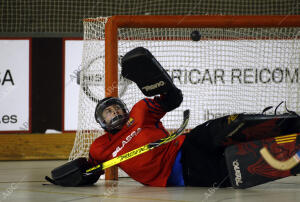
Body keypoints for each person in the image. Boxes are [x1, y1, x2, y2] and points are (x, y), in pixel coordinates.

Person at [46, 47, 300, 187]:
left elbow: (171, 101)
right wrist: (73, 175)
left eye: (116, 108)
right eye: (108, 111)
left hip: (186, 145)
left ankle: (290, 124)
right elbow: (89, 169)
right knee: (235, 167)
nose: (115, 112)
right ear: (101, 121)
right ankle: (293, 153)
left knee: (226, 128)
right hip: (181, 173)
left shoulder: (139, 112)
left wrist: (161, 86)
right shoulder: (100, 148)